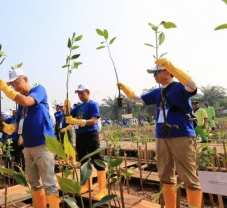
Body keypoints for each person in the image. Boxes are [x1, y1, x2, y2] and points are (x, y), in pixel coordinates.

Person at [117, 58, 202, 208]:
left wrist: (173, 67)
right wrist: (127, 91)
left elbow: (192, 86)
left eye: (156, 72)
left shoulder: (179, 87)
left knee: (189, 176)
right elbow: (139, 99)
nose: (153, 76)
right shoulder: (157, 92)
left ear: (167, 72)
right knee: (165, 174)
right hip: (162, 136)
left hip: (181, 134)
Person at [0, 69, 59, 208]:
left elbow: (27, 101)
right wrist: (6, 127)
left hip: (43, 144)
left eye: (17, 84)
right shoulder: (20, 105)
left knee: (49, 183)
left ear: (26, 79)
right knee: (34, 183)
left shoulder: (39, 90)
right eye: (12, 86)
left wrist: (7, 91)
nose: (16, 88)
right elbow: (17, 124)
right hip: (28, 146)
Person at [65, 84, 106, 201]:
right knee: (83, 160)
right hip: (80, 136)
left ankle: (102, 189)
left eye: (81, 93)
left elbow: (93, 121)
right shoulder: (78, 107)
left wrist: (79, 121)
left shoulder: (93, 104)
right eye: (78, 94)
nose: (80, 96)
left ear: (87, 92)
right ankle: (86, 185)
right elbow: (68, 115)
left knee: (97, 159)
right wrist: (66, 107)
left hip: (91, 135)